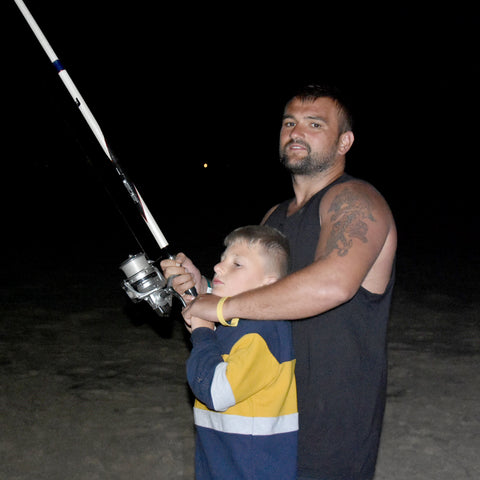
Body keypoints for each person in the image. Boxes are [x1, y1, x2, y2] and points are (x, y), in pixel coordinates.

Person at [162, 84, 397, 480]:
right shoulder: (275, 217)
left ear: (345, 141)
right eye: (289, 122)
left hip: (334, 416)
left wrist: (219, 307)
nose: (296, 132)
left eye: (314, 124)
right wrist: (202, 289)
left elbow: (332, 285)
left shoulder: (357, 201)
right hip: (271, 415)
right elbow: (256, 301)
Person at [183, 225, 298, 480]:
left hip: (251, 468)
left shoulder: (263, 332)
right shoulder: (236, 322)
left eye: (237, 264)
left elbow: (216, 391)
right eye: (222, 259)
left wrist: (202, 332)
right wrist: (193, 292)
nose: (218, 267)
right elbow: (213, 316)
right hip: (221, 457)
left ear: (269, 284)